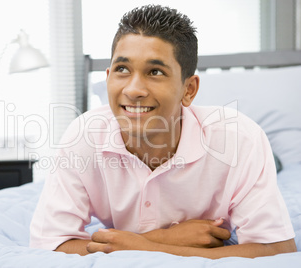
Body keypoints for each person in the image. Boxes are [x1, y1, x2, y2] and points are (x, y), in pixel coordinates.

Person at [30, 5, 296, 258]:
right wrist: (164, 239)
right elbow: (50, 245)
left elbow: (276, 250)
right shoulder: (84, 135)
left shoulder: (241, 139)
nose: (133, 90)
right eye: (122, 69)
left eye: (155, 71)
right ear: (109, 76)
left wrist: (136, 245)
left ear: (189, 89)